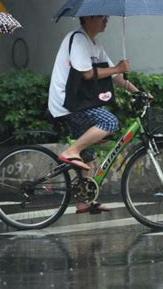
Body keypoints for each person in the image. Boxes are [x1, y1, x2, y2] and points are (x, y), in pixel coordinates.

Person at [48, 15, 140, 213]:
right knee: (109, 122)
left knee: (88, 154)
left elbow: (114, 75)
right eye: (102, 17)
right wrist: (117, 67)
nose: (106, 20)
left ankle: (84, 201)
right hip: (68, 101)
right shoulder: (78, 39)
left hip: (78, 101)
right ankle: (70, 152)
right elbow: (87, 73)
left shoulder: (94, 43)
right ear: (89, 18)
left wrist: (138, 92)